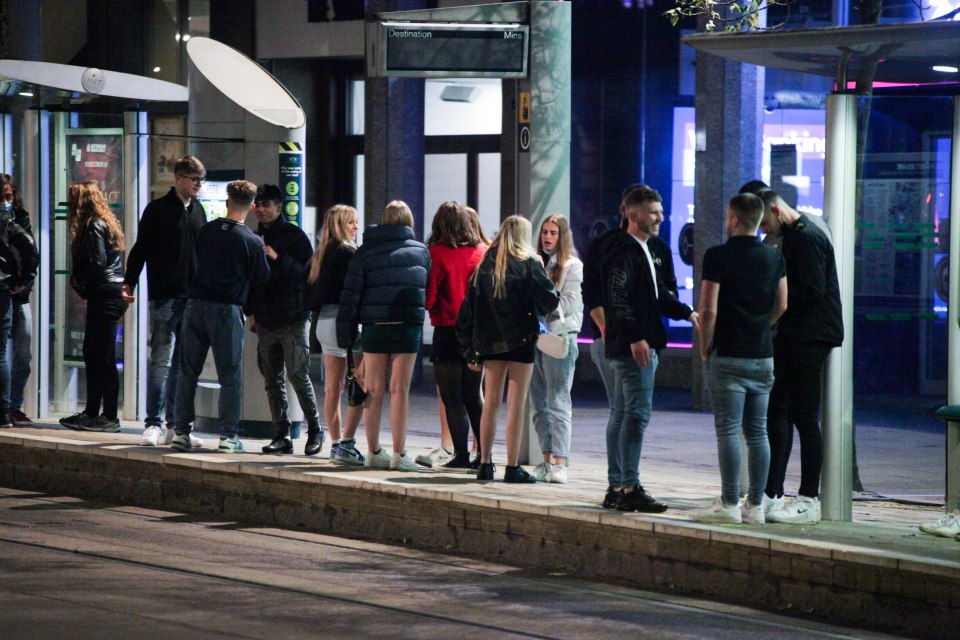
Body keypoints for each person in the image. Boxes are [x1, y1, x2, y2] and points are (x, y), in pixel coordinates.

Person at [601, 185, 698, 512]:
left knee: (624, 413)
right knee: (636, 414)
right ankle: (629, 487)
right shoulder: (623, 250)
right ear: (631, 213)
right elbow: (617, 298)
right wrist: (635, 337)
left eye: (660, 211)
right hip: (632, 347)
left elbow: (662, 295)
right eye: (653, 212)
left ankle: (618, 485)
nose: (661, 217)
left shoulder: (655, 248)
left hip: (639, 342)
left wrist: (688, 313)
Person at [693, 193, 787, 524]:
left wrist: (705, 346)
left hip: (728, 354)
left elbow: (708, 309)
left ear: (733, 219)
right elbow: (782, 304)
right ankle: (756, 506)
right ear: (758, 219)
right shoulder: (774, 256)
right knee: (758, 431)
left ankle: (730, 503)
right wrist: (760, 326)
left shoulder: (717, 256)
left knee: (729, 429)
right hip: (762, 355)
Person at [758, 188, 843, 524]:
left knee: (805, 415)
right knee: (780, 411)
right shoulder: (796, 236)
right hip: (799, 335)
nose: (764, 230)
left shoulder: (805, 238)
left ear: (777, 211)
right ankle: (773, 492)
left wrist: (777, 310)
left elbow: (810, 291)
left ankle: (808, 498)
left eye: (764, 222)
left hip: (810, 335)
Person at [456, 215, 559, 483]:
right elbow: (550, 299)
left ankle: (485, 463)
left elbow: (466, 313)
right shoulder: (529, 263)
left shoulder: (484, 266)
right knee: (516, 405)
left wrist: (470, 349)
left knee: (490, 402)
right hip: (522, 341)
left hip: (490, 345)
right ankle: (512, 466)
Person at [170, 180, 270, 453]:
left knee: (187, 371)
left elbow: (190, 264)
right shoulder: (250, 240)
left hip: (195, 306)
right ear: (250, 207)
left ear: (227, 202)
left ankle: (180, 432)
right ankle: (228, 437)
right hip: (227, 310)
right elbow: (262, 277)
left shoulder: (205, 231)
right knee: (230, 374)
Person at [337, 200, 430, 471]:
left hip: (375, 326)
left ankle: (374, 451)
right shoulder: (421, 251)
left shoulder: (365, 252)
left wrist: (347, 333)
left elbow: (351, 296)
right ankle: (400, 455)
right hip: (407, 326)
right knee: (400, 390)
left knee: (374, 390)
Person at [123, 155, 207, 448]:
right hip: (165, 296)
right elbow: (141, 248)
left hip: (193, 298)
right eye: (194, 179)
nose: (199, 184)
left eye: (201, 179)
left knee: (184, 365)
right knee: (162, 361)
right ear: (179, 179)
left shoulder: (199, 211)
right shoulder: (157, 210)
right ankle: (153, 423)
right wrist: (129, 281)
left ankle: (177, 425)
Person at [248, 184, 325, 456]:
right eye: (257, 204)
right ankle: (281, 434)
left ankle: (315, 429)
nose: (261, 209)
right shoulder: (253, 236)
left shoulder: (294, 236)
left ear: (279, 207)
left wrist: (277, 258)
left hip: (292, 319)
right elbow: (251, 281)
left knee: (297, 374)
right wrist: (251, 313)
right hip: (266, 320)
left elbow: (308, 276)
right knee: (272, 379)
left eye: (266, 204)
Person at [59, 182, 128, 432]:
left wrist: (81, 283)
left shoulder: (92, 225)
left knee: (100, 355)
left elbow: (97, 262)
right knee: (98, 354)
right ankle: (96, 413)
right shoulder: (103, 222)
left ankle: (105, 415)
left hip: (104, 295)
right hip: (110, 294)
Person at [424, 201, 486, 471]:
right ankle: (483, 455)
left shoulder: (435, 254)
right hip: (477, 333)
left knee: (452, 397)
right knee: (475, 395)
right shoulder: (482, 252)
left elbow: (429, 299)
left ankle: (461, 454)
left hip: (448, 331)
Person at [306, 204, 365, 465]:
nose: (356, 227)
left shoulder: (322, 251)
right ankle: (348, 444)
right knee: (362, 383)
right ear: (341, 225)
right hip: (344, 322)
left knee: (333, 388)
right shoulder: (348, 251)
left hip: (324, 324)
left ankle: (335, 442)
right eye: (351, 222)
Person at [529, 214, 583, 484]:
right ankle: (547, 459)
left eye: (553, 233)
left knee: (558, 401)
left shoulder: (572, 266)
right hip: (536, 338)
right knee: (538, 403)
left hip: (560, 338)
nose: (547, 237)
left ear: (562, 236)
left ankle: (561, 462)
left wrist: (544, 293)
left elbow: (570, 303)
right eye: (544, 232)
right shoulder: (536, 263)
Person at [0, 178, 38, 428]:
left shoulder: (20, 218)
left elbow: (30, 252)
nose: (7, 201)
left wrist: (24, 282)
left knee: (23, 353)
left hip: (17, 293)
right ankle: (7, 408)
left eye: (9, 195)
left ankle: (12, 406)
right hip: (6, 290)